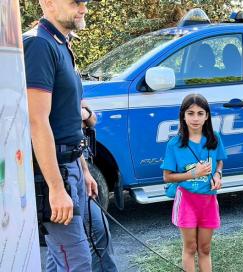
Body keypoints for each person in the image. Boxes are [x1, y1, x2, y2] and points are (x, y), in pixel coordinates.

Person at [23, 0, 99, 270]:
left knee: (95, 239)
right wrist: (56, 189)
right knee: (77, 262)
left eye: (85, 3)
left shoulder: (61, 43)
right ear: (48, 3)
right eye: (75, 2)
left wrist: (85, 170)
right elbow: (37, 121)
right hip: (54, 173)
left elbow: (65, 120)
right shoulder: (38, 44)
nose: (83, 8)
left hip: (73, 167)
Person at [161, 94, 226, 272]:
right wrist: (192, 174)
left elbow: (220, 160)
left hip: (208, 200)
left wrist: (218, 175)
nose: (195, 118)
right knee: (190, 248)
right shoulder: (174, 144)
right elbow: (167, 176)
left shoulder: (215, 138)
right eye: (190, 113)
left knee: (205, 248)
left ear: (207, 116)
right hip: (187, 200)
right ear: (183, 115)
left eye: (200, 113)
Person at [80, 101, 119, 272]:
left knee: (59, 251)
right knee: (98, 232)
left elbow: (92, 119)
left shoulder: (73, 79)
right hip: (67, 166)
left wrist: (85, 114)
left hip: (80, 160)